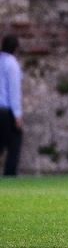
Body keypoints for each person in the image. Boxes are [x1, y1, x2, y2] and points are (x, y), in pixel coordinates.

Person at [0, 35, 23, 176]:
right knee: (15, 141)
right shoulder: (12, 64)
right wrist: (18, 115)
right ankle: (10, 174)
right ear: (16, 48)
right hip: (5, 111)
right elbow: (14, 90)